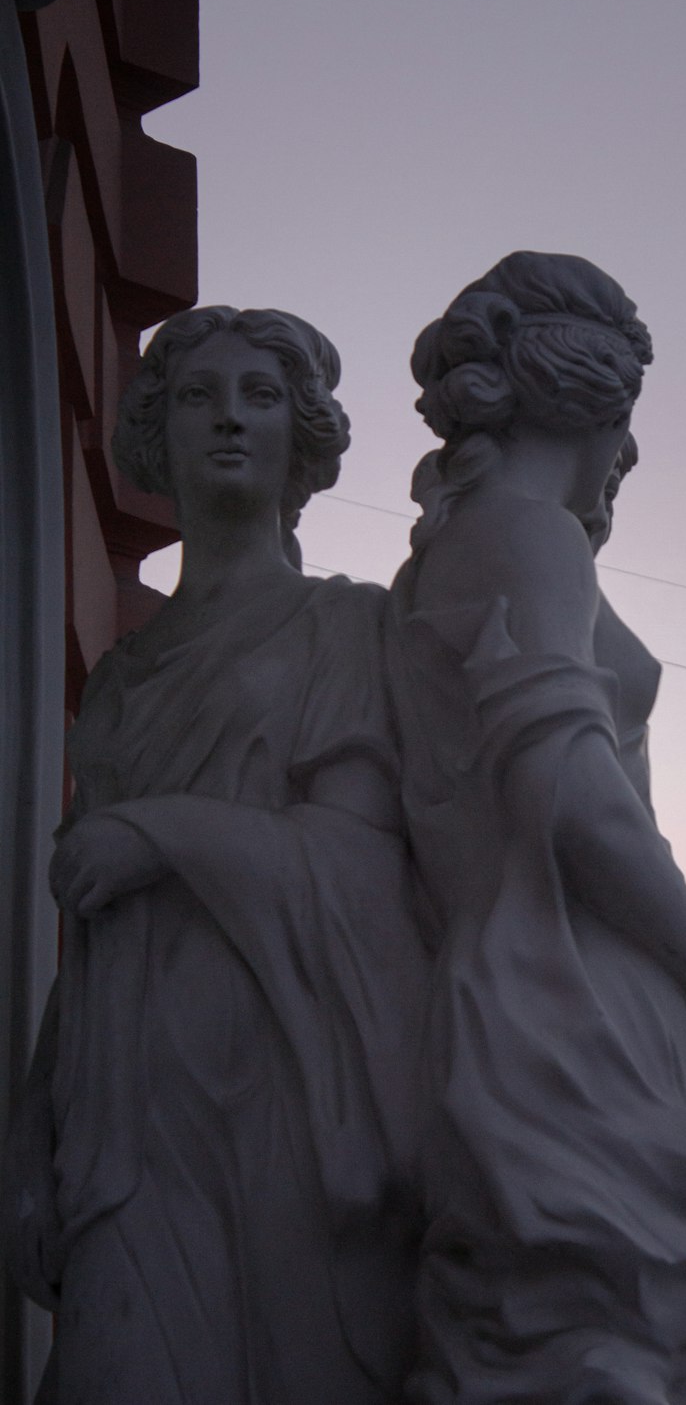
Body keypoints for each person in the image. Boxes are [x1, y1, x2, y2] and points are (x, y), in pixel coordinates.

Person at [3, 306, 427, 1404]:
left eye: (260, 396)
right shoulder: (126, 679)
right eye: (199, 396)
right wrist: (32, 1136)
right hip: (126, 1113)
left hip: (279, 1102)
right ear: (160, 433)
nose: (230, 419)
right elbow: (92, 935)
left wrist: (163, 831)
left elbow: (366, 868)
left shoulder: (345, 630)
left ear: (303, 437)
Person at [385, 252, 686, 1405]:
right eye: (629, 418)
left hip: (516, 987)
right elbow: (565, 783)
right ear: (597, 400)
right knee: (598, 1354)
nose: (631, 456)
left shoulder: (454, 548)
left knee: (576, 1344)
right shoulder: (527, 536)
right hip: (573, 991)